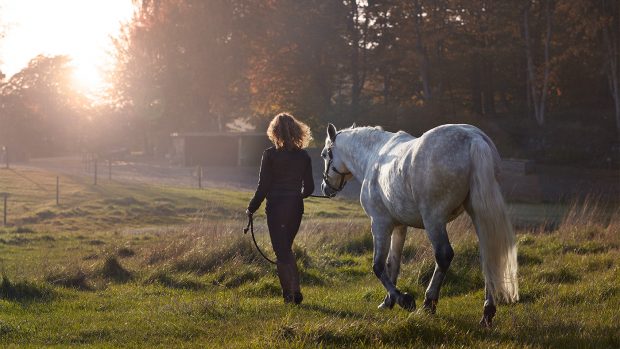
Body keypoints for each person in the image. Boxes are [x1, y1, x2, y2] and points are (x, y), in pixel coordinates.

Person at [246, 112, 314, 304]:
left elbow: (263, 186)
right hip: (295, 207)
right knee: (286, 249)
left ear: (274, 132)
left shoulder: (269, 155)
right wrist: (297, 194)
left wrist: (251, 208)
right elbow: (309, 188)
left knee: (281, 251)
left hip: (276, 207)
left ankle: (290, 294)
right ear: (296, 131)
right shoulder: (304, 156)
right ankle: (295, 291)